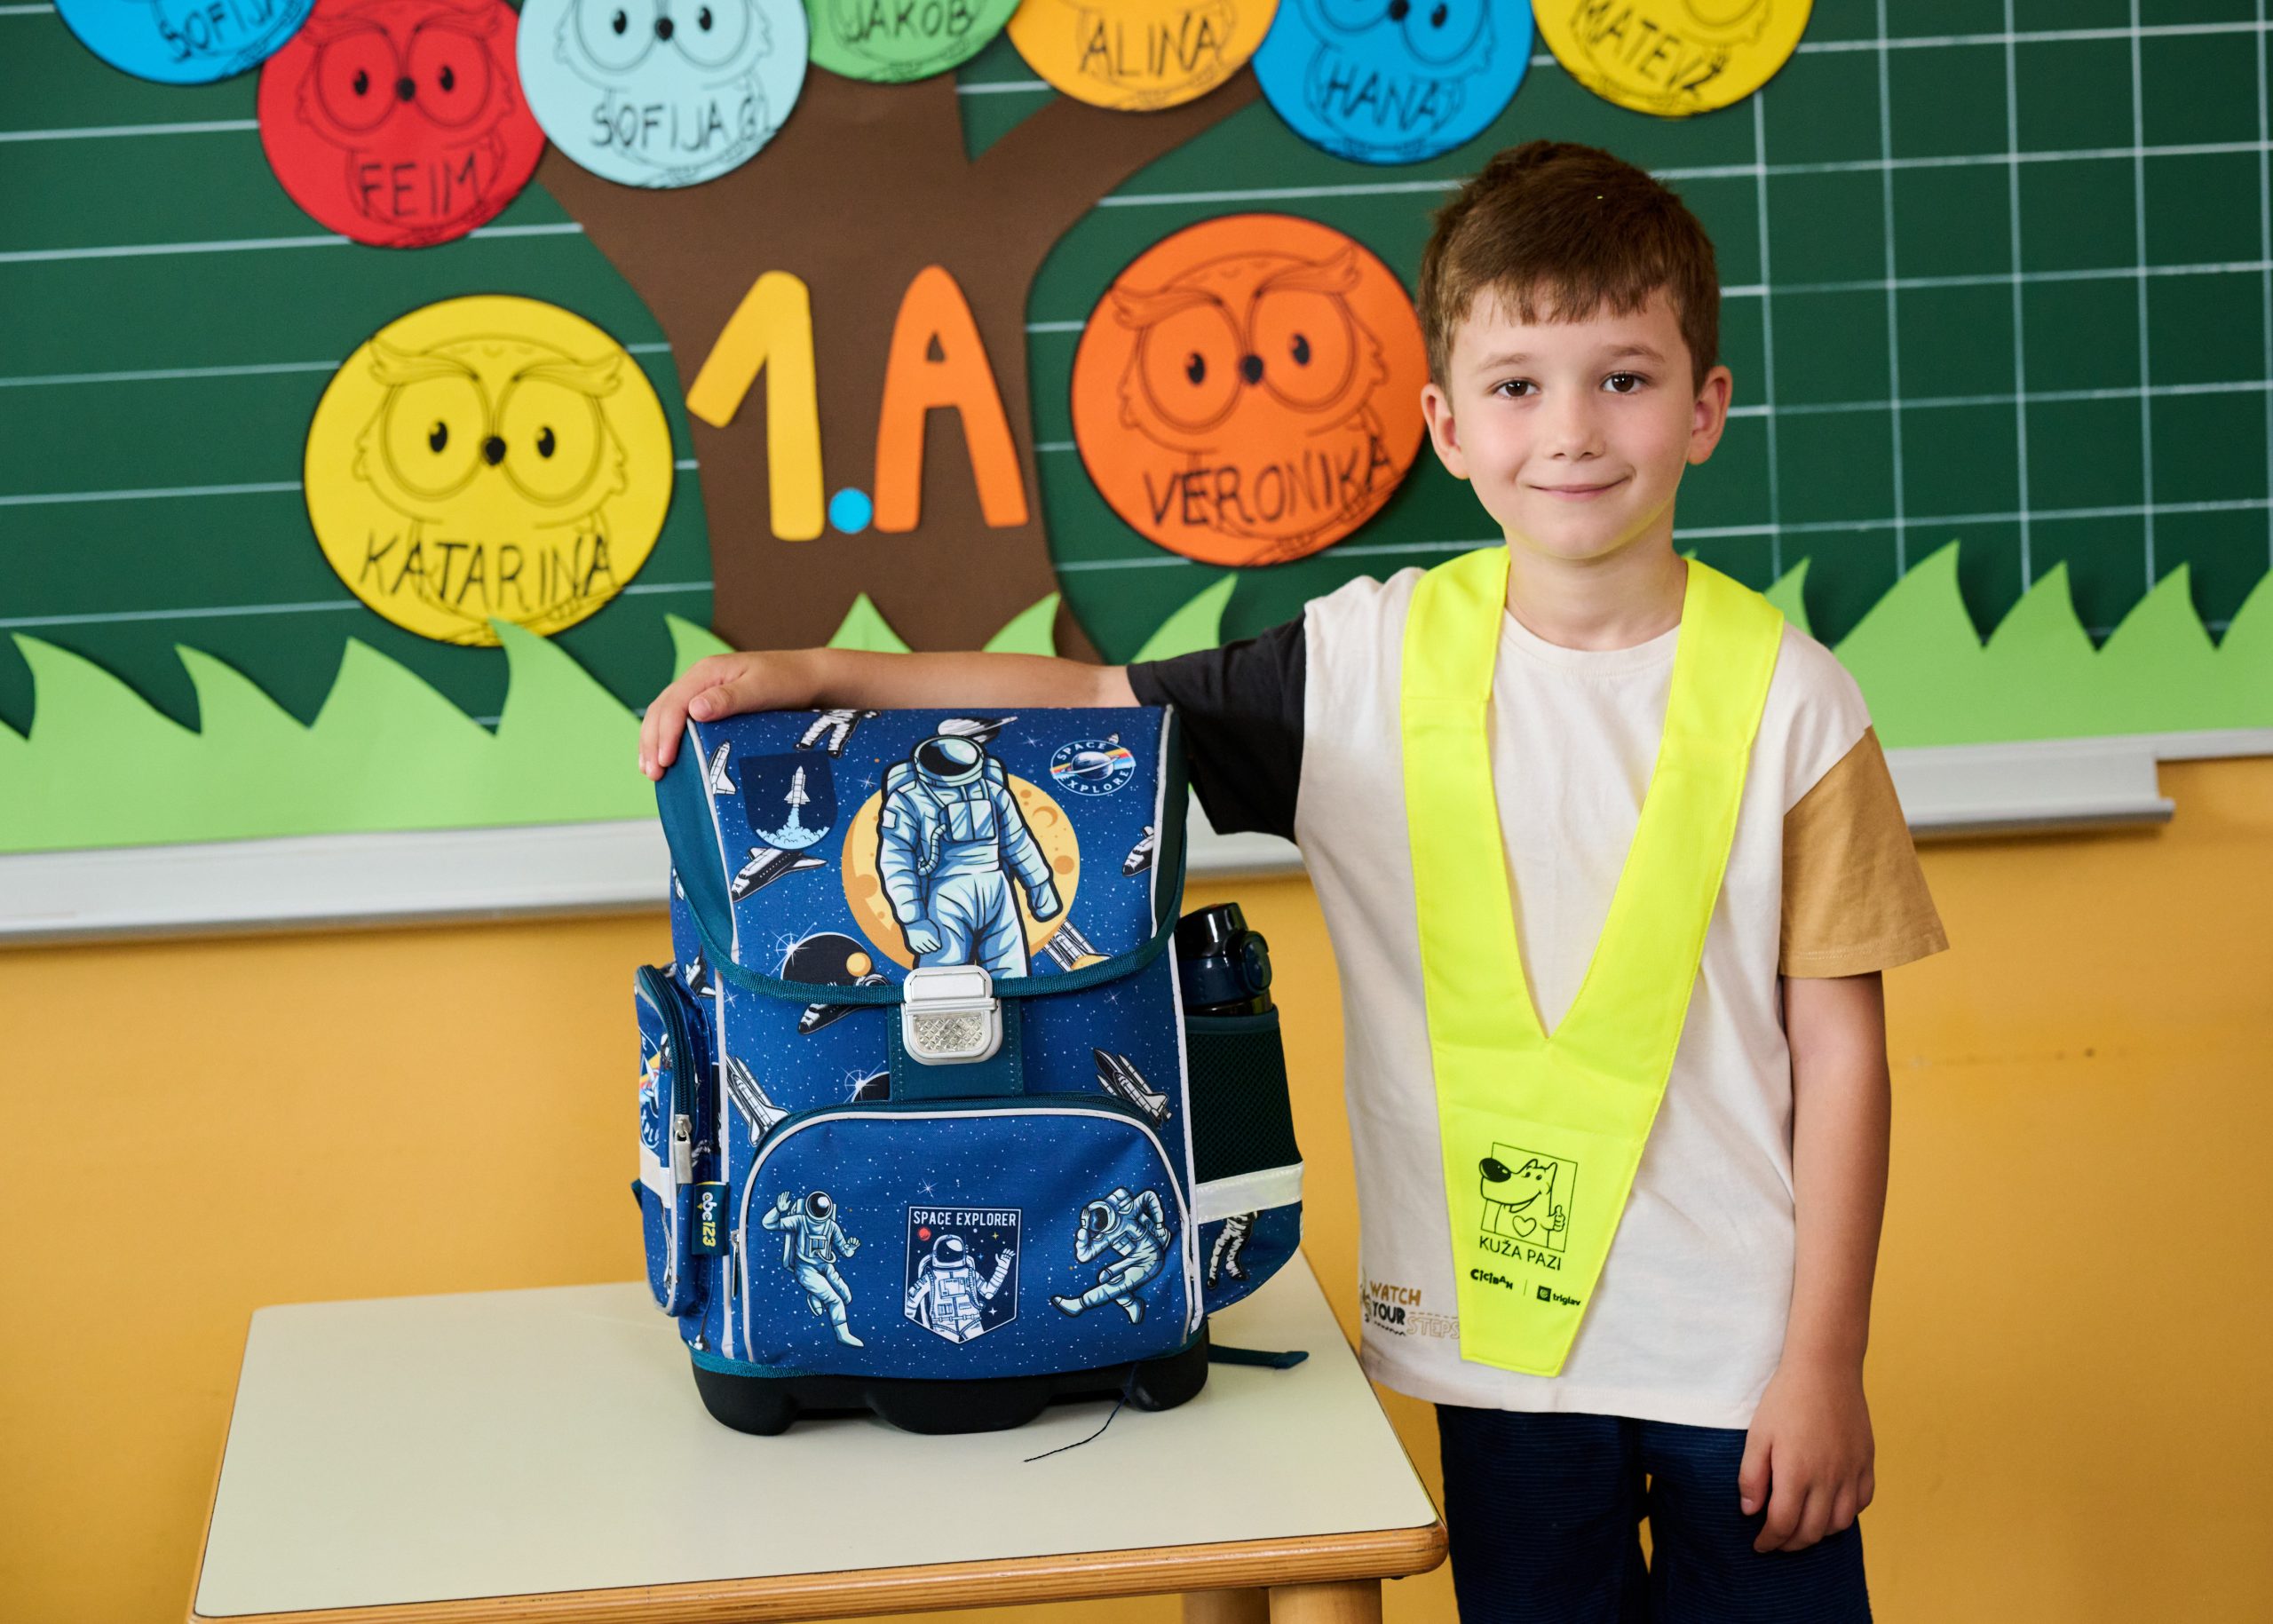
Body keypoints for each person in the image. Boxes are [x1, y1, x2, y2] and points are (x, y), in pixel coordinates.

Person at [639, 139, 1946, 1621]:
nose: (1572, 429)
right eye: (1518, 385)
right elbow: (1093, 700)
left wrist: (1825, 1355)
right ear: (1448, 424)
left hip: (1746, 1362)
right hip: (1500, 1363)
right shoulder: (1359, 664)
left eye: (1625, 378)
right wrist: (819, 672)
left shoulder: (1797, 701)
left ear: (1705, 407)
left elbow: (1844, 1051)